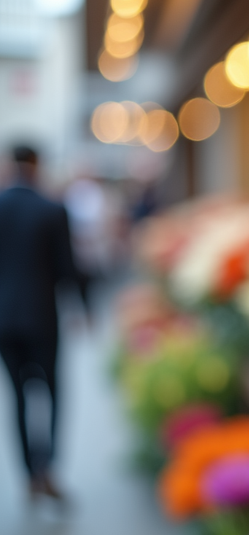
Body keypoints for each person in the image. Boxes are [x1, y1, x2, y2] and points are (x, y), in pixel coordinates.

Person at [0, 145, 84, 504]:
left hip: (4, 318)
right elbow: (68, 266)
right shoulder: (52, 208)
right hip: (42, 317)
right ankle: (46, 467)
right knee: (52, 393)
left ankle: (28, 475)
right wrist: (83, 307)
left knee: (17, 396)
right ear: (36, 163)